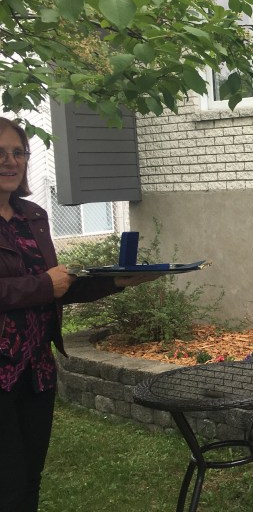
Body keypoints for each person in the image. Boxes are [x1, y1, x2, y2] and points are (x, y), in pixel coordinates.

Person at [0, 117, 159, 512]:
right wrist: (43, 285)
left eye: (18, 152)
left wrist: (119, 281)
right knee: (7, 485)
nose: (11, 161)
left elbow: (59, 286)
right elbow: (45, 285)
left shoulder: (32, 216)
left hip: (36, 371)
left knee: (30, 478)